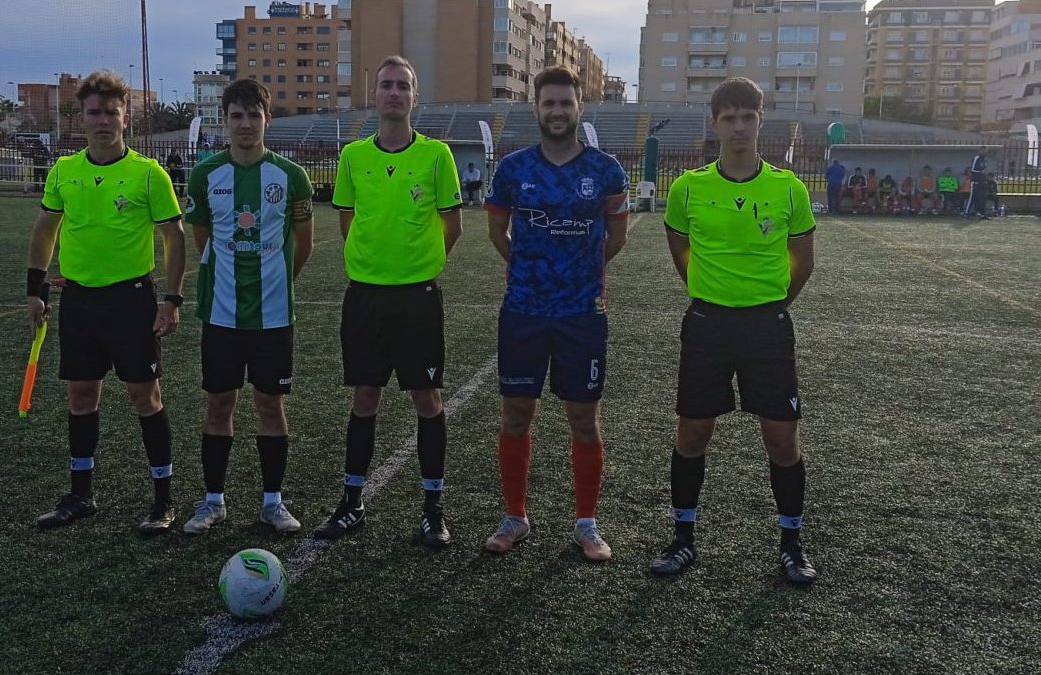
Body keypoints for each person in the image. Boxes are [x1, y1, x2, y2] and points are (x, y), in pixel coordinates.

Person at [652, 77, 817, 585]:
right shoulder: (688, 188)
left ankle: (792, 544)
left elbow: (802, 263)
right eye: (730, 118)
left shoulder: (788, 187)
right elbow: (681, 252)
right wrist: (713, 293)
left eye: (748, 116)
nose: (739, 127)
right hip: (707, 325)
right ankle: (683, 539)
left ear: (760, 121)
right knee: (693, 432)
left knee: (781, 440)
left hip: (768, 326)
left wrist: (767, 305)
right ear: (715, 123)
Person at [26, 70, 186, 533]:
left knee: (145, 396)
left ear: (125, 117)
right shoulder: (64, 171)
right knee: (80, 397)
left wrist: (171, 299)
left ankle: (162, 501)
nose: (102, 121)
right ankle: (80, 495)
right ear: (82, 117)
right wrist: (35, 289)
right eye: (94, 112)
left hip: (132, 302)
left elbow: (174, 237)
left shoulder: (148, 174)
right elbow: (45, 231)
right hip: (79, 302)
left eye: (111, 113)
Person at [314, 55, 464, 548]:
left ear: (414, 97)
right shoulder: (354, 157)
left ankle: (433, 508)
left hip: (418, 298)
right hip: (364, 297)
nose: (394, 93)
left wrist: (417, 264)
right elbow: (346, 221)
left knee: (427, 399)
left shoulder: (437, 156)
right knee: (364, 397)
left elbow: (452, 226)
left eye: (403, 85)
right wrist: (373, 263)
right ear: (373, 96)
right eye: (386, 85)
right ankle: (352, 502)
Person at [482, 66, 629, 562]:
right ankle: (514, 517)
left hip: (582, 315)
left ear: (579, 108)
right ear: (537, 109)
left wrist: (581, 272)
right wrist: (532, 270)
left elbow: (618, 238)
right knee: (515, 414)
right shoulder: (513, 170)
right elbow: (496, 234)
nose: (558, 111)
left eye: (566, 103)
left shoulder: (606, 171)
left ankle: (586, 524)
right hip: (523, 311)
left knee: (584, 419)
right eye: (549, 103)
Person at [180, 79, 315, 536]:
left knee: (270, 405)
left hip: (275, 317)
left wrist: (277, 283)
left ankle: (272, 503)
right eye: (236, 116)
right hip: (220, 315)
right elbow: (203, 242)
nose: (244, 124)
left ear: (266, 120)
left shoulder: (291, 177)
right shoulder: (204, 175)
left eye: (253, 115)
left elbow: (304, 245)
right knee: (219, 403)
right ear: (225, 120)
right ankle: (213, 500)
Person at [966, 146, 989, 219]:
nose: (984, 152)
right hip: (976, 181)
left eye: (986, 151)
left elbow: (985, 170)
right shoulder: (977, 158)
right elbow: (973, 170)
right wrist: (980, 172)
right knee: (972, 198)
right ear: (979, 151)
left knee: (983, 198)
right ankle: (966, 212)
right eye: (983, 151)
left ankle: (982, 214)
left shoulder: (984, 159)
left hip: (982, 182)